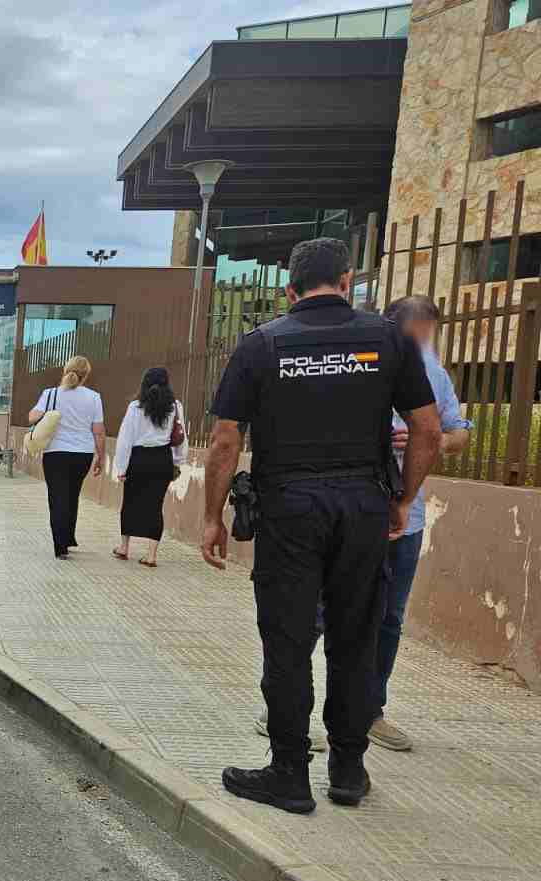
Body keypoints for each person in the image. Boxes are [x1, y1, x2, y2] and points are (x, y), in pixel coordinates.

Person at [201, 238, 440, 815]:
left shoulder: (262, 345)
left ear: (289, 287)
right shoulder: (389, 340)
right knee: (356, 636)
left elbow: (226, 440)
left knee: (287, 638)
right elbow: (428, 430)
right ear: (349, 278)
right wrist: (403, 500)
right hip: (363, 504)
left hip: (289, 507)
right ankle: (348, 769)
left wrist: (211, 516)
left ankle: (288, 772)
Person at [251, 295, 473, 754]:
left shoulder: (433, 372)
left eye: (427, 331)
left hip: (402, 517)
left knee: (386, 619)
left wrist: (425, 447)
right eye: (414, 330)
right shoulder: (359, 355)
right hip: (356, 508)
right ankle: (287, 711)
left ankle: (369, 712)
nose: (420, 340)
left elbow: (454, 432)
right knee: (310, 614)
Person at [27, 355, 105, 559]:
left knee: (57, 497)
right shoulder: (94, 397)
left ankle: (60, 545)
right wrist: (101, 456)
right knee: (72, 495)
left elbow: (32, 417)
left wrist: (47, 414)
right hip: (83, 454)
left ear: (65, 370)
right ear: (86, 375)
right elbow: (98, 430)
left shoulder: (50, 394)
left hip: (55, 453)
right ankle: (68, 537)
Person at [114, 366, 185, 568]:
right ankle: (152, 554)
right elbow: (181, 438)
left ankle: (124, 547)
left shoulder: (135, 407)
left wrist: (121, 467)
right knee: (155, 505)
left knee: (130, 502)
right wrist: (178, 462)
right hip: (162, 459)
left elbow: (125, 439)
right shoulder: (175, 406)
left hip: (138, 459)